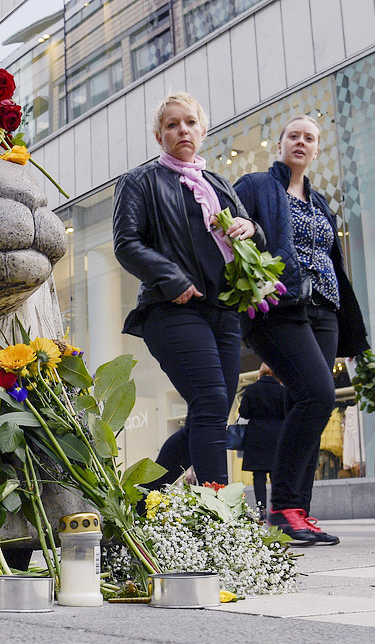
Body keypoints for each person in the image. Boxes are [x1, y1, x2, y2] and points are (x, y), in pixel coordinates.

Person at [113, 92, 264, 488]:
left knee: (210, 413)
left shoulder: (217, 184)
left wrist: (253, 228)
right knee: (211, 402)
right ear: (158, 135)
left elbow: (249, 236)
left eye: (190, 122)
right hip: (171, 308)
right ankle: (220, 514)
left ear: (203, 130)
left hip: (224, 312)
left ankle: (144, 500)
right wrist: (172, 278)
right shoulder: (140, 181)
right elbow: (126, 244)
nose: (182, 129)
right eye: (172, 124)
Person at [234, 115, 369, 545]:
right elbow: (229, 231)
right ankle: (284, 509)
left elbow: (334, 261)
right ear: (280, 145)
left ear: (315, 151)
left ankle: (298, 514)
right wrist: (253, 229)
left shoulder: (321, 202)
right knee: (318, 394)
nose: (301, 142)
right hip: (279, 305)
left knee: (306, 403)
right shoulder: (257, 186)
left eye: (309, 138)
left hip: (325, 308)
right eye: (294, 135)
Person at [238, 364, 286, 521]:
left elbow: (244, 413)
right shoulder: (282, 390)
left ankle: (261, 509)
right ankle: (278, 509)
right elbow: (287, 413)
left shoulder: (251, 389)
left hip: (256, 435)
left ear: (260, 373)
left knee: (258, 476)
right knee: (276, 475)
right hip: (277, 435)